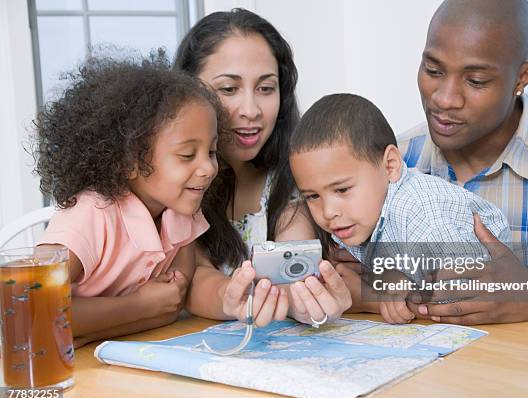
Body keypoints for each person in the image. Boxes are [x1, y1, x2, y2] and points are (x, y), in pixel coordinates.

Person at [397, 0, 528, 328]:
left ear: (521, 77)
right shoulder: (391, 163)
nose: (444, 98)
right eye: (433, 71)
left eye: (476, 81)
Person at [174, 9, 351, 327]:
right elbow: (196, 276)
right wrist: (232, 297)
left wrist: (300, 297)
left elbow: (292, 242)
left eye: (266, 88)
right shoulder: (176, 186)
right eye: (229, 89)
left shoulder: (294, 179)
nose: (251, 110)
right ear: (188, 91)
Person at [33, 51, 222, 347]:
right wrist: (139, 307)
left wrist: (89, 329)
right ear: (129, 161)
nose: (209, 167)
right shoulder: (90, 214)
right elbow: (31, 305)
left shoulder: (181, 210)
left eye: (211, 152)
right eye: (187, 155)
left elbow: (171, 307)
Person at [288, 93, 511, 324]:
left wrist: (379, 290)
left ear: (390, 166)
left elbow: (460, 301)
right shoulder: (357, 215)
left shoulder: (423, 218)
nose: (327, 212)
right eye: (313, 196)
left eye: (342, 190)